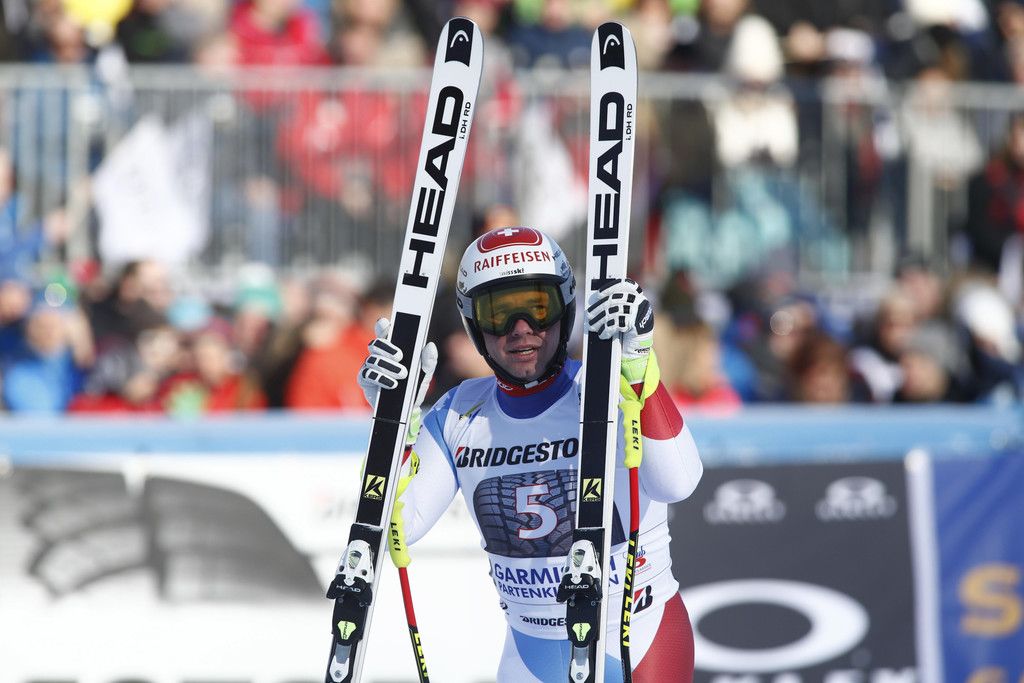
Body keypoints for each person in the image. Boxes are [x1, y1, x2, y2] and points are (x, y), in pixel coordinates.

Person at [357, 227, 703, 682]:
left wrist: (640, 367)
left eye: (538, 307)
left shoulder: (603, 389)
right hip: (531, 651)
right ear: (474, 324)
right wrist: (391, 425)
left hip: (636, 633)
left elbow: (678, 483)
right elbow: (399, 526)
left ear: (566, 308)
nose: (521, 329)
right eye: (499, 312)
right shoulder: (458, 412)